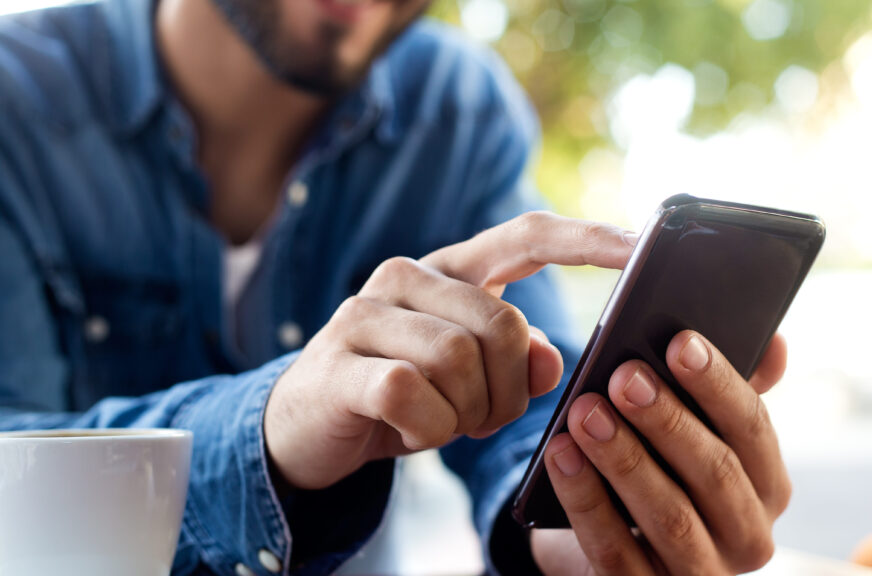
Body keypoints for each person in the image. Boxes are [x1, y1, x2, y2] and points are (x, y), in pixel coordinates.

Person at [0, 0, 791, 574]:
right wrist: (274, 430)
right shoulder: (16, 104)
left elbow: (527, 427)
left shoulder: (457, 110)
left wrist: (573, 529)